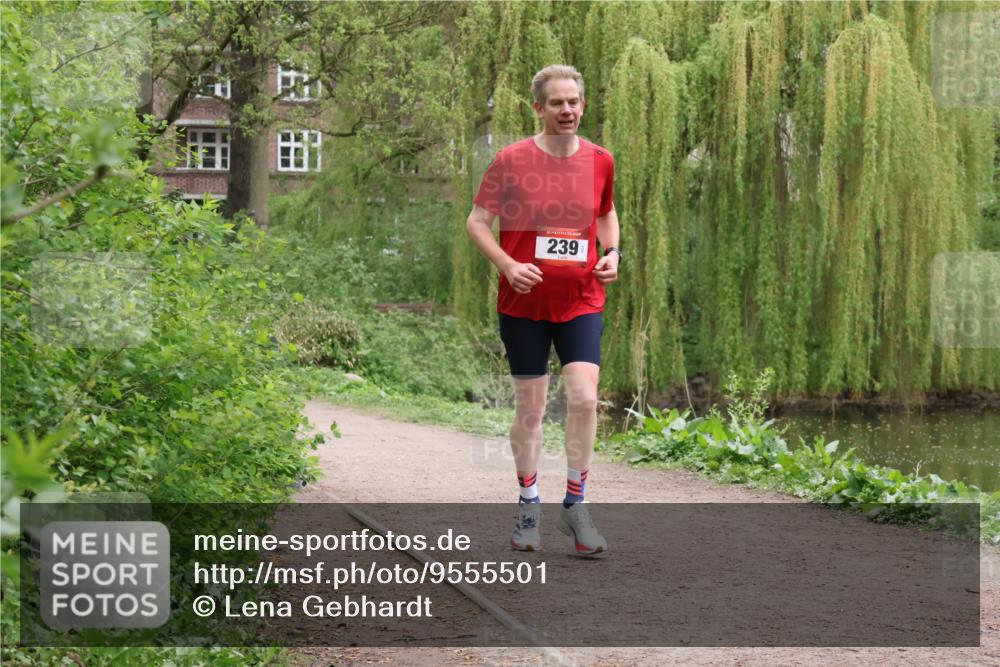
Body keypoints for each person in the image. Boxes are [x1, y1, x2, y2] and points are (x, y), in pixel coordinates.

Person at [466, 64, 621, 556]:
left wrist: (613, 253)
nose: (567, 110)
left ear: (583, 105)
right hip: (523, 305)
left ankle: (575, 505)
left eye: (574, 101)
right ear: (539, 108)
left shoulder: (600, 160)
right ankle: (529, 502)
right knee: (530, 411)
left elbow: (606, 212)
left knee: (583, 398)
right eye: (557, 103)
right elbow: (477, 222)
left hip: (580, 301)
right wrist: (509, 266)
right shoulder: (511, 161)